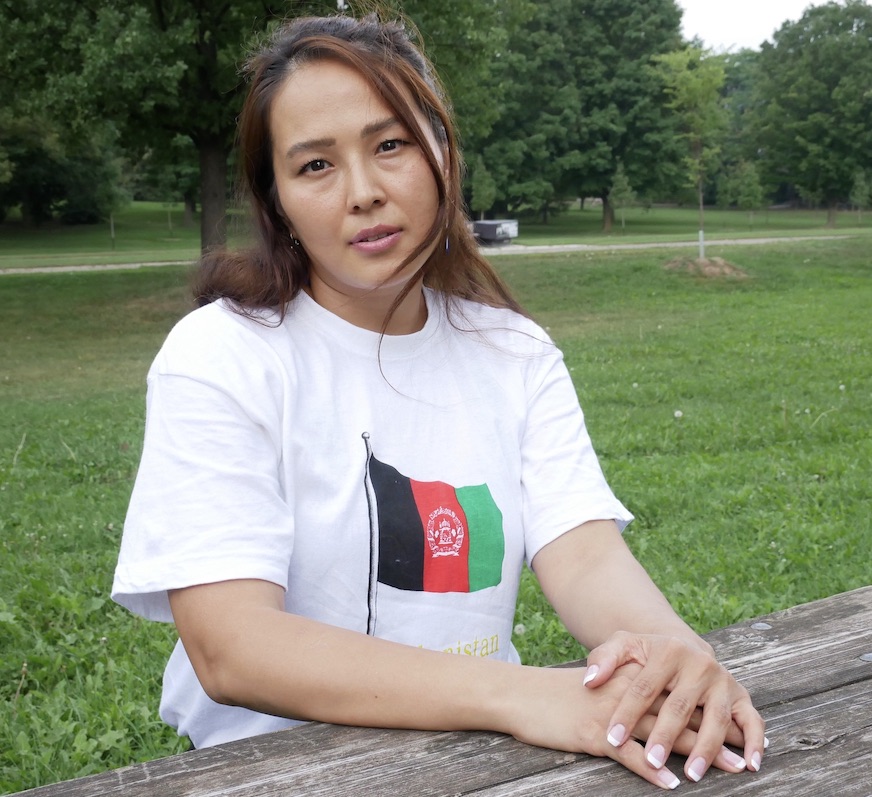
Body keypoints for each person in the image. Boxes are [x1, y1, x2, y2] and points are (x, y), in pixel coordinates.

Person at [112, 12, 765, 791]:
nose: (363, 192)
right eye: (316, 165)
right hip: (270, 771)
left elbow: (586, 555)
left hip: (477, 765)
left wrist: (676, 664)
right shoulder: (222, 354)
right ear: (277, 199)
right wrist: (521, 696)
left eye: (390, 145)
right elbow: (233, 645)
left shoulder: (513, 353)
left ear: (443, 154)